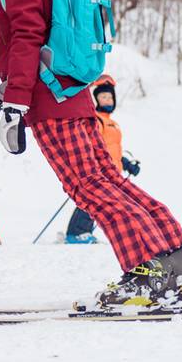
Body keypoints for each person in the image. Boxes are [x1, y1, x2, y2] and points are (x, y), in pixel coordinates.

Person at [0, 0, 182, 305]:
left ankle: (146, 272)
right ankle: (172, 260)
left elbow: (27, 34)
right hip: (73, 91)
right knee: (106, 180)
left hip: (47, 96)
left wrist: (16, 101)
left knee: (90, 187)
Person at [65, 74, 141, 244]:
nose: (107, 100)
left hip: (112, 170)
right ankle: (76, 234)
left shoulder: (112, 123)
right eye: (102, 97)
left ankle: (79, 232)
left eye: (109, 97)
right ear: (96, 99)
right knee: (94, 199)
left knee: (99, 202)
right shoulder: (95, 120)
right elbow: (92, 144)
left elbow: (112, 149)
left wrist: (126, 164)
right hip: (97, 169)